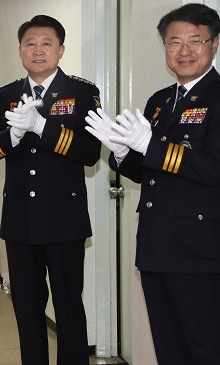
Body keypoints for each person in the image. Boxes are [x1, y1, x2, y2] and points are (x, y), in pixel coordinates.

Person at [85, 3, 220, 364]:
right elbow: (148, 173)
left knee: (206, 347)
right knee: (169, 346)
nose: (185, 51)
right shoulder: (159, 102)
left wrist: (151, 146)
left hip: (200, 251)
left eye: (196, 40)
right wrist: (121, 153)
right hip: (156, 244)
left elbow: (212, 169)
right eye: (174, 42)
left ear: (214, 44)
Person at [0, 15, 101, 364]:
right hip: (19, 221)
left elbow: (90, 153)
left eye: (47, 43)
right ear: (20, 51)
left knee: (68, 307)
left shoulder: (81, 93)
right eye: (30, 43)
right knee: (27, 310)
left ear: (61, 50)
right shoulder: (5, 96)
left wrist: (42, 127)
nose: (38, 50)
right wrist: (12, 136)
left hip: (64, 220)